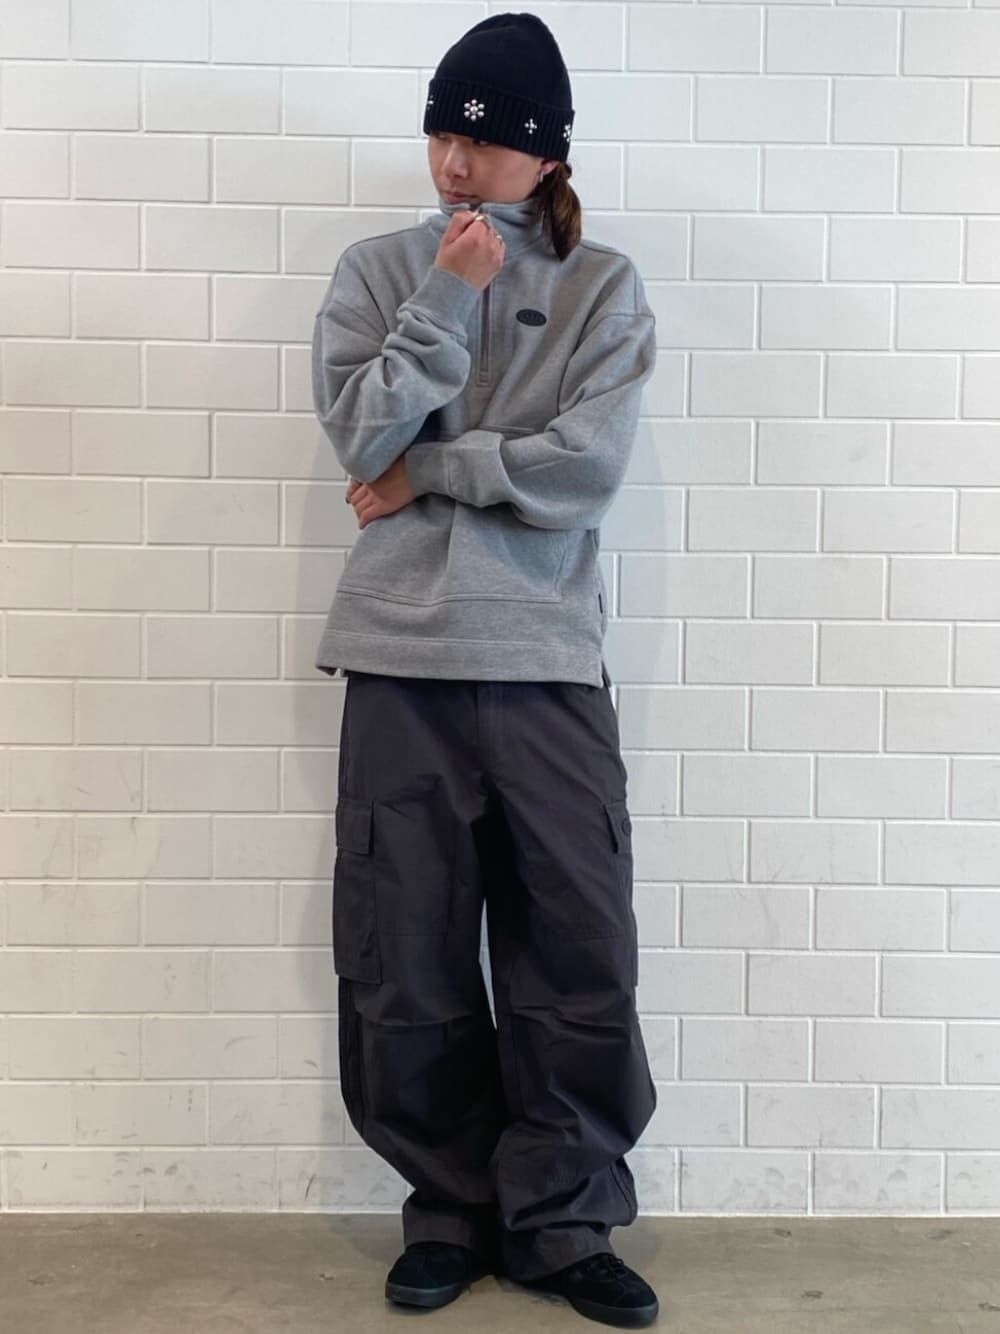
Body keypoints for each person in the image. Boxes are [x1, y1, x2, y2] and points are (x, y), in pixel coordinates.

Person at [311, 12, 660, 1328]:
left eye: (487, 140)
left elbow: (584, 471)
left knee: (578, 949)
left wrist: (433, 472)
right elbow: (358, 432)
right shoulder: (377, 271)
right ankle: (450, 1212)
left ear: (545, 154)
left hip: (545, 664)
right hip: (399, 661)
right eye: (443, 132)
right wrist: (448, 292)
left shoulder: (602, 288)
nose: (456, 162)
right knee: (404, 956)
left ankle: (563, 1220)